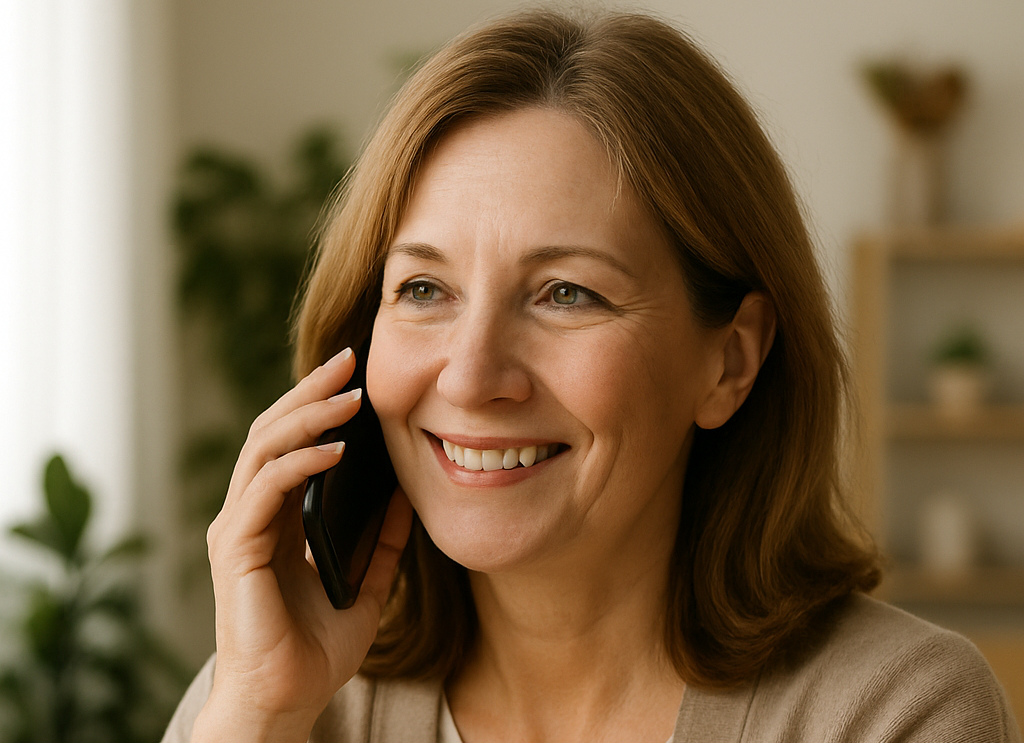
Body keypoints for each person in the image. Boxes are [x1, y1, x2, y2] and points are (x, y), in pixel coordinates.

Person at [163, 9, 1020, 742]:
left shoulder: (892, 710)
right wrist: (260, 713)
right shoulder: (278, 694)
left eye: (566, 293)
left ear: (730, 361)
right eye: (423, 288)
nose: (469, 377)